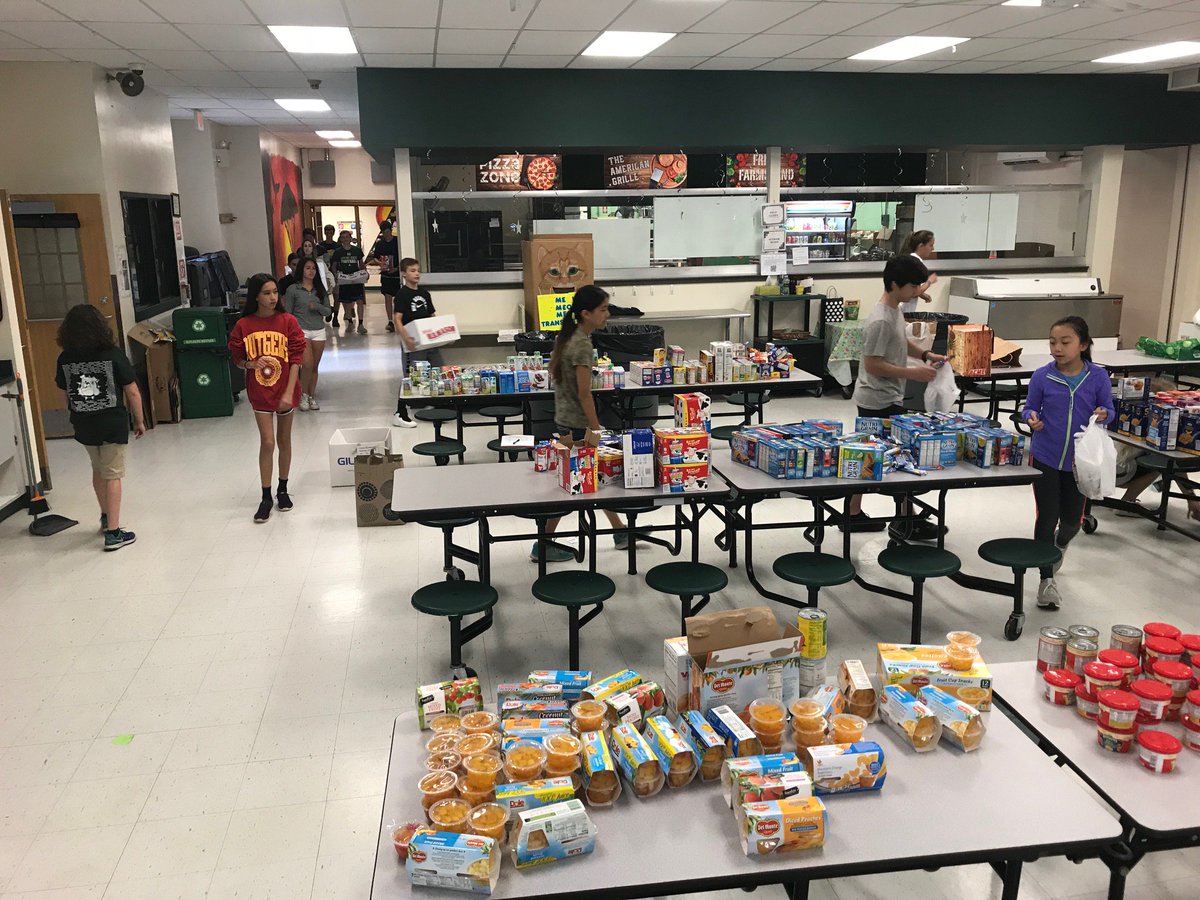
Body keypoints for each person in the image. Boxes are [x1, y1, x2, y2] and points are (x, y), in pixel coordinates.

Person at [846, 256, 946, 539]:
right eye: (913, 286)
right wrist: (913, 373)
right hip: (876, 400)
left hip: (888, 396)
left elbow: (901, 343)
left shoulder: (894, 311)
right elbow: (872, 364)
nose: (918, 290)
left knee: (876, 453)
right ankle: (903, 519)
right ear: (894, 284)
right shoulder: (879, 319)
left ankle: (856, 514)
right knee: (889, 457)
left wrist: (925, 354)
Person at [1021, 316, 1115, 610]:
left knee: (1072, 522)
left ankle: (1060, 546)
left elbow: (1110, 410)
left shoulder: (1097, 377)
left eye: (1065, 342)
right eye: (1052, 342)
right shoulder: (1042, 376)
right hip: (1046, 457)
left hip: (1080, 463)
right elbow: (1029, 408)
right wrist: (1031, 419)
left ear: (1083, 345)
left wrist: (1103, 414)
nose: (1057, 348)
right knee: (1046, 518)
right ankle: (1046, 580)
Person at [534, 285, 628, 563]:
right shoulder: (582, 345)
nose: (607, 315)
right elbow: (585, 393)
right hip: (577, 424)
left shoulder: (570, 337)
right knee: (576, 483)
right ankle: (543, 545)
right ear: (586, 313)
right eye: (602, 310)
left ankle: (620, 530)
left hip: (565, 418)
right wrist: (596, 427)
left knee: (592, 477)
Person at [54, 304, 145, 551]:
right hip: (112, 423)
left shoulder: (65, 358)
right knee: (113, 473)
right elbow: (132, 390)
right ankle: (114, 533)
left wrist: (72, 416)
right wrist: (139, 420)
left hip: (84, 423)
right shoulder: (112, 354)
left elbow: (64, 395)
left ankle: (105, 516)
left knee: (98, 469)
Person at [228, 273, 307, 523]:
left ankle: (282, 489)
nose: (273, 297)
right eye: (266, 293)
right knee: (268, 442)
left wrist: (289, 391)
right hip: (260, 392)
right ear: (256, 296)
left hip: (286, 390)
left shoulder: (288, 322)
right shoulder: (244, 325)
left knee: (284, 441)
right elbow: (238, 358)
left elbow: (296, 360)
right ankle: (266, 496)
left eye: (275, 292)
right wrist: (251, 364)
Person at [392, 257, 442, 428]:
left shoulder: (425, 294)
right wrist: (405, 337)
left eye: (418, 270)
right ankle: (402, 411)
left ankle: (434, 402)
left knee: (437, 369)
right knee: (414, 373)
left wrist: (439, 334)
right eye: (412, 270)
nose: (416, 273)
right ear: (404, 274)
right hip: (412, 340)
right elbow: (397, 318)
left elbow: (432, 316)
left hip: (428, 340)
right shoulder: (402, 294)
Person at [284, 257, 332, 411]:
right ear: (301, 270)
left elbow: (328, 311)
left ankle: (312, 396)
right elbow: (288, 313)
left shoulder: (320, 289)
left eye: (313, 268)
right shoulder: (293, 289)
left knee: (314, 367)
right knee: (307, 364)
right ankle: (303, 395)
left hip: (318, 330)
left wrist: (317, 306)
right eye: (308, 268)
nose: (311, 271)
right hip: (301, 330)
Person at [330, 230, 367, 334]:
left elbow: (361, 264)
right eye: (343, 237)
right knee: (346, 302)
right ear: (341, 239)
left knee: (359, 301)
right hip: (344, 279)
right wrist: (336, 275)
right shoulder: (338, 252)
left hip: (356, 278)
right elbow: (334, 266)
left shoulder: (357, 250)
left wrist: (364, 273)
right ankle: (350, 322)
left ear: (351, 239)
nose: (345, 239)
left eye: (347, 237)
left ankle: (360, 324)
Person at [366, 220, 400, 333]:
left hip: (396, 274)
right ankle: (390, 321)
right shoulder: (380, 244)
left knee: (399, 299)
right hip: (385, 274)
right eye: (383, 232)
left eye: (387, 231)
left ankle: (398, 320)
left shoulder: (397, 242)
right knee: (387, 297)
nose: (386, 234)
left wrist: (397, 268)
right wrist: (380, 263)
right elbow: (375, 257)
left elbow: (403, 256)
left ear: (390, 230)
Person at [899, 230, 938, 314]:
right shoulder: (915, 263)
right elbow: (913, 292)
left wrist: (923, 295)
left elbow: (911, 286)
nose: (933, 249)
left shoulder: (910, 259)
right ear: (921, 246)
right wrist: (929, 282)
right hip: (902, 311)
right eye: (930, 245)